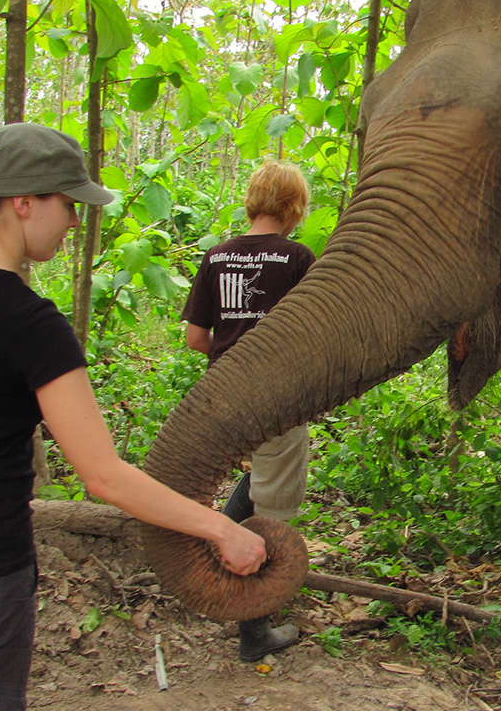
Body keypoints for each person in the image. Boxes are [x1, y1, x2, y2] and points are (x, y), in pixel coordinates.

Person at [0, 123, 268, 711]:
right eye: (68, 204)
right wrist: (223, 527)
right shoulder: (32, 324)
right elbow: (102, 476)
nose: (75, 221)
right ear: (24, 203)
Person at [182, 158, 317, 662]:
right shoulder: (299, 259)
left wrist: (233, 353)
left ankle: (214, 563)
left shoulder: (216, 257)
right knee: (276, 510)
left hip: (225, 395)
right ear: (294, 207)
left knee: (257, 484)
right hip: (278, 398)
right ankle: (254, 628)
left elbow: (197, 337)